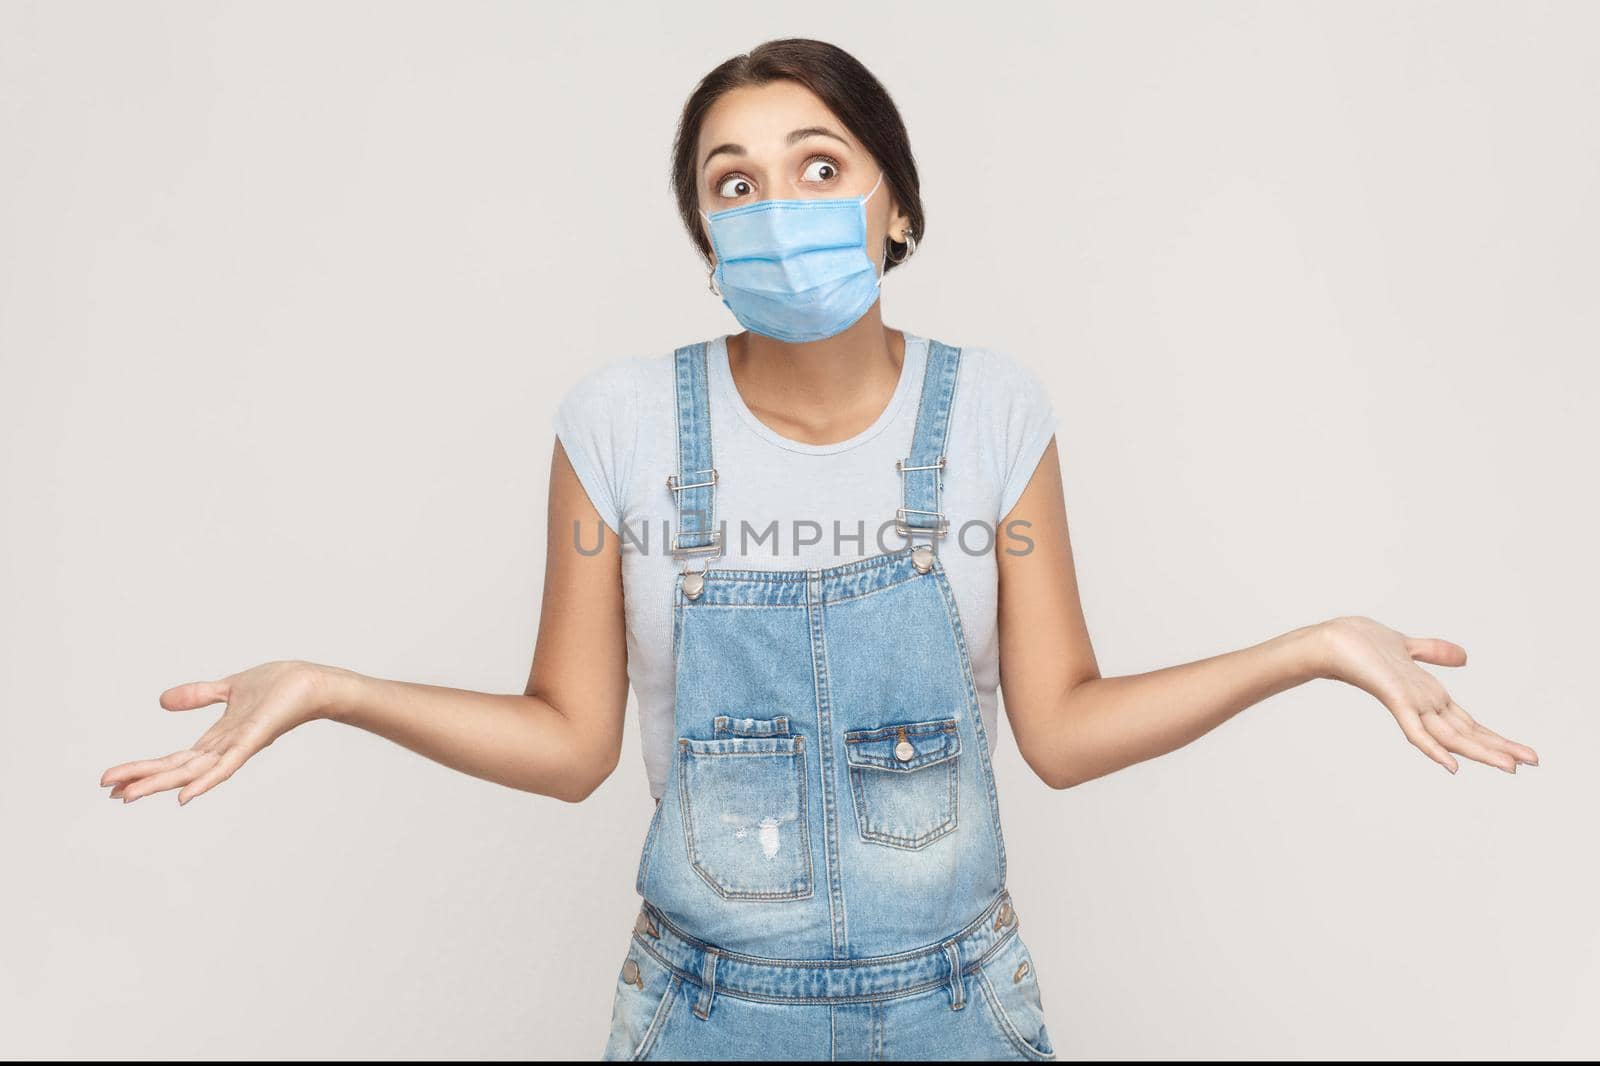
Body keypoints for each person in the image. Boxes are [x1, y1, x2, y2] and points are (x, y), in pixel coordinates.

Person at [99, 37, 1539, 1062]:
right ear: (703, 234)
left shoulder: (993, 412)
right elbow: (569, 740)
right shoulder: (615, 426)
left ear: (895, 204)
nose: (776, 205)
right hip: (706, 1014)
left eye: (817, 164)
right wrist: (334, 688)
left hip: (960, 1010)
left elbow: (1064, 725)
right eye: (733, 183)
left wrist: (1315, 650)